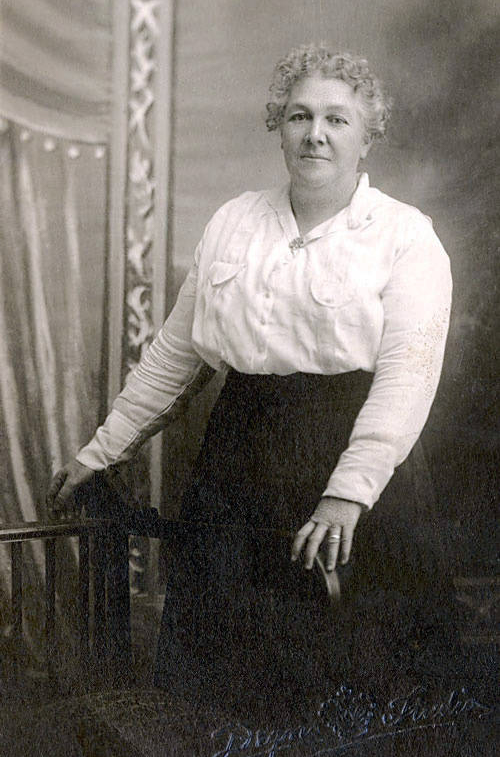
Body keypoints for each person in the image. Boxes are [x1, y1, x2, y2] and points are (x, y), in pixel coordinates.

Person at [47, 45, 452, 713]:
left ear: (367, 137)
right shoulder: (233, 222)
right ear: (279, 127)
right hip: (237, 458)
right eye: (299, 116)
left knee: (347, 683)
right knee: (223, 679)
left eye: (337, 119)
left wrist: (347, 496)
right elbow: (175, 357)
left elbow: (408, 378)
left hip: (356, 459)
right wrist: (101, 452)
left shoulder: (405, 237)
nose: (315, 133)